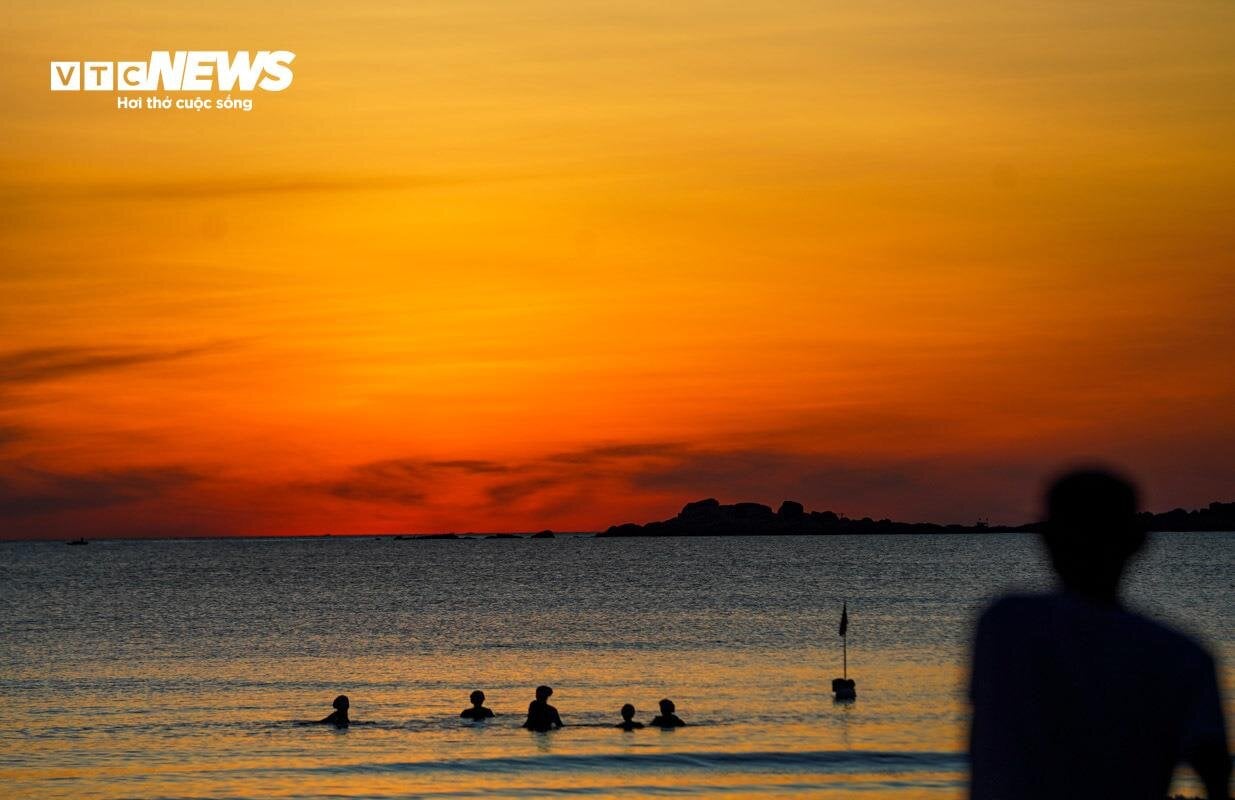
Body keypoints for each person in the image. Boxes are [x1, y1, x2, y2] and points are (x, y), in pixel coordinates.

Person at [969, 469, 1230, 800]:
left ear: (1046, 538)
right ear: (1137, 541)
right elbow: (1212, 766)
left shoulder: (1005, 624)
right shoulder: (1183, 656)